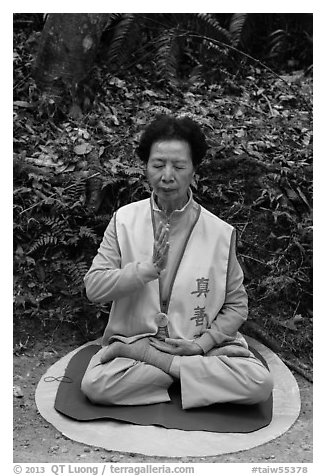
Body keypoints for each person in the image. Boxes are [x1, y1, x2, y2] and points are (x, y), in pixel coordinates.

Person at [81, 115, 273, 410]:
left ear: (194, 170)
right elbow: (94, 288)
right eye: (158, 165)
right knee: (96, 385)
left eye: (179, 166)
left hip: (197, 350)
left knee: (259, 383)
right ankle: (192, 380)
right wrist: (145, 270)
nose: (167, 175)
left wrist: (201, 345)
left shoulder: (219, 232)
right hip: (138, 339)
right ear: (145, 167)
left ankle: (162, 366)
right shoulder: (124, 221)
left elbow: (236, 305)